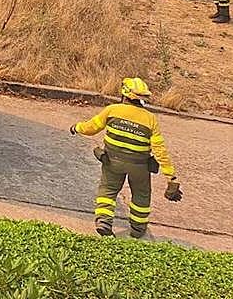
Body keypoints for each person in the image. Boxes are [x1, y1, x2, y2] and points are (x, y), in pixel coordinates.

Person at [71, 77, 182, 238]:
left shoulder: (112, 110)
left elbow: (91, 127)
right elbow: (160, 150)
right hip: (139, 166)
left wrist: (76, 127)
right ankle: (137, 230)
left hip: (112, 162)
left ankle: (104, 221)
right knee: (141, 195)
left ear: (124, 94)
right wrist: (171, 178)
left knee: (108, 190)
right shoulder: (150, 119)